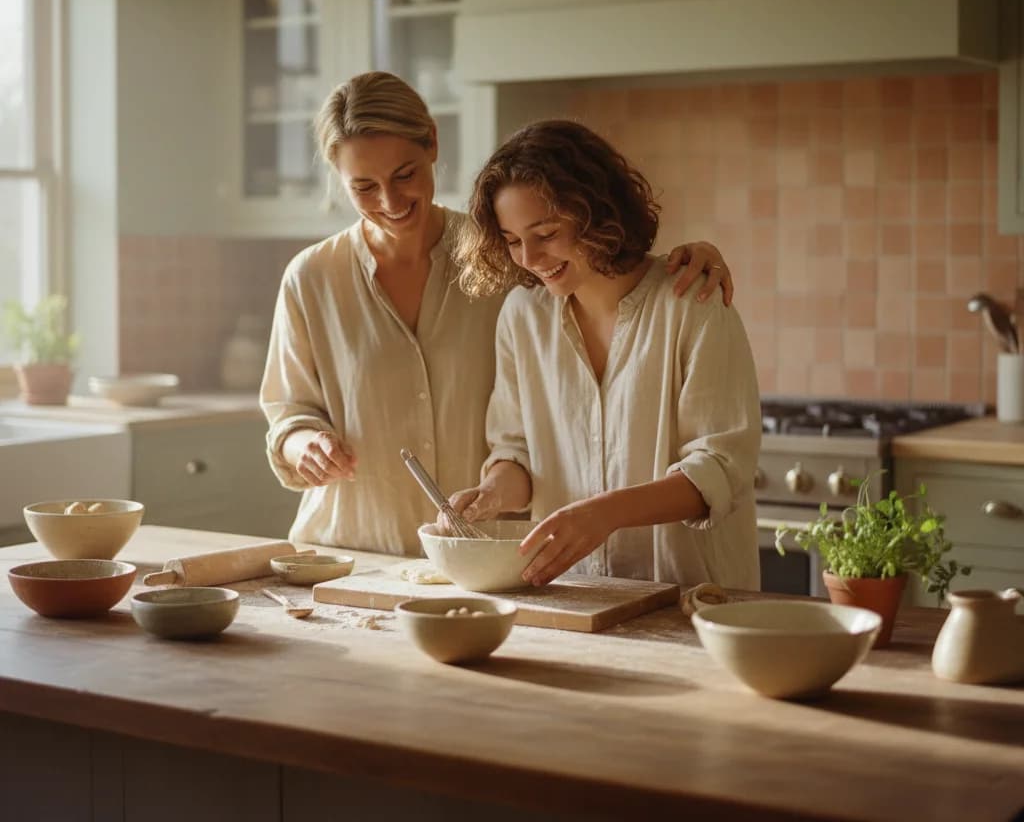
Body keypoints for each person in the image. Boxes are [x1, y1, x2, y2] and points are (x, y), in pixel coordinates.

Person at [260, 72, 736, 557]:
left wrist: (690, 258)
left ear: (433, 144)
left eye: (404, 175)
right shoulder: (313, 278)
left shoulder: (502, 259)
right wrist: (303, 444)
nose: (390, 201)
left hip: (482, 562)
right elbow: (287, 412)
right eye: (363, 186)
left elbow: (602, 266)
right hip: (352, 552)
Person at [449, 119, 761, 589]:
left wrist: (606, 513)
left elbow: (719, 469)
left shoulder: (692, 302)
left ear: (595, 211)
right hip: (578, 595)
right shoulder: (522, 316)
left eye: (547, 232)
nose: (529, 258)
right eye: (513, 241)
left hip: (692, 597)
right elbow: (516, 450)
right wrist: (492, 493)